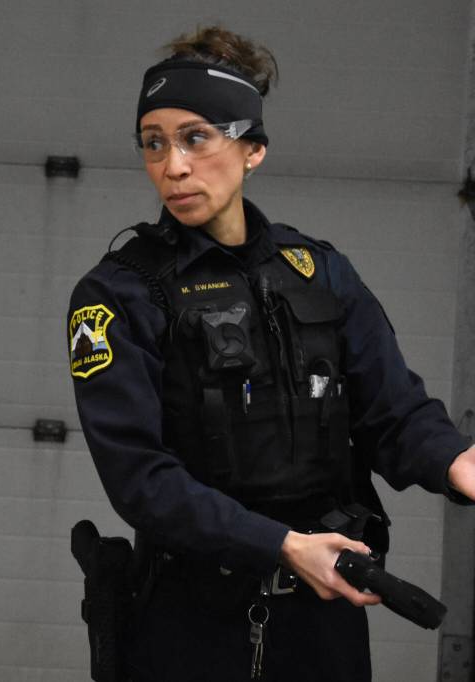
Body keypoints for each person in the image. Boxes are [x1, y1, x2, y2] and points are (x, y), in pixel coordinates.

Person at [67, 26, 475, 681]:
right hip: (189, 625)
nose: (173, 166)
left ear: (252, 148)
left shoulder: (321, 272)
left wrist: (458, 462)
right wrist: (281, 546)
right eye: (154, 142)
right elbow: (140, 479)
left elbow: (394, 413)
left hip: (325, 619)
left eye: (196, 138)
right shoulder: (121, 293)